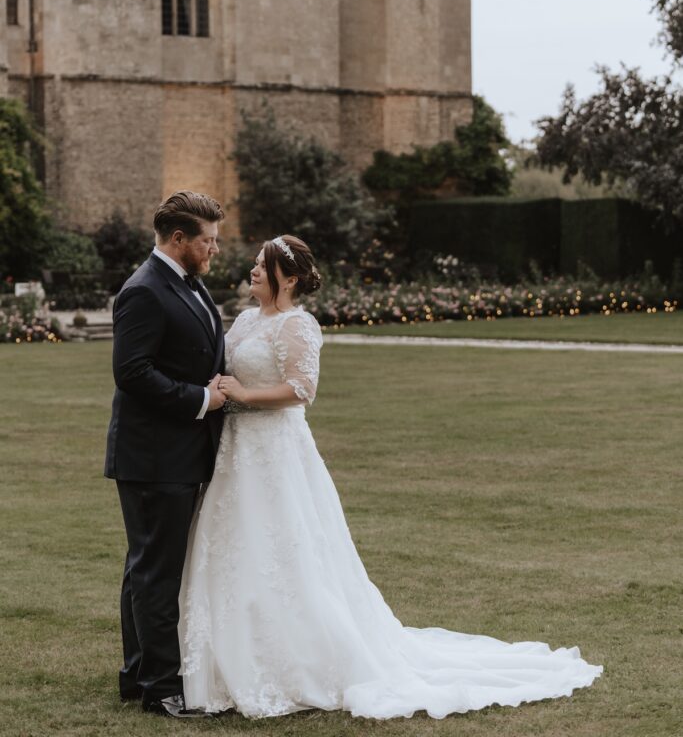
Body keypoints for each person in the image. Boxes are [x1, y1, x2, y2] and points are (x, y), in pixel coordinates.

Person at [179, 234, 602, 719]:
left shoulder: (299, 325)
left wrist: (244, 395)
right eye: (254, 263)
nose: (252, 269)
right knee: (237, 546)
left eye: (262, 264)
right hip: (236, 450)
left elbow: (302, 389)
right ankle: (230, 657)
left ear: (289, 278)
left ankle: (297, 662)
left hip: (275, 452)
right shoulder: (249, 319)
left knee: (285, 547)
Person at [104, 190, 228, 718]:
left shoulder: (188, 285)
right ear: (178, 239)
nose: (215, 250)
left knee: (145, 567)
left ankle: (136, 674)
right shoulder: (145, 291)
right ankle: (159, 687)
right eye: (208, 241)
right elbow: (131, 373)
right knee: (157, 572)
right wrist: (201, 399)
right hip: (154, 456)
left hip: (176, 452)